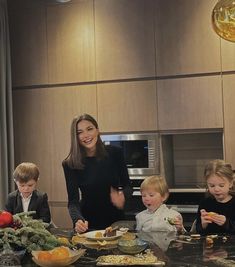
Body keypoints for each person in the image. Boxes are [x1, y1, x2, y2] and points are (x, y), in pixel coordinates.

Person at [62, 113, 132, 233]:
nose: (86, 135)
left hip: (116, 221)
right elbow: (73, 202)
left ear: (97, 130)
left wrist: (123, 196)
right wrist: (77, 219)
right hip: (88, 223)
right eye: (80, 132)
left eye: (90, 129)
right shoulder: (70, 164)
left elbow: (128, 186)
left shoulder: (115, 153)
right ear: (76, 137)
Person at [196, 159, 235, 235]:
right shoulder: (205, 203)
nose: (216, 189)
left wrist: (226, 223)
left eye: (221, 185)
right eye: (212, 185)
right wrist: (203, 225)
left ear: (230, 183)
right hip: (210, 245)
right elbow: (198, 230)